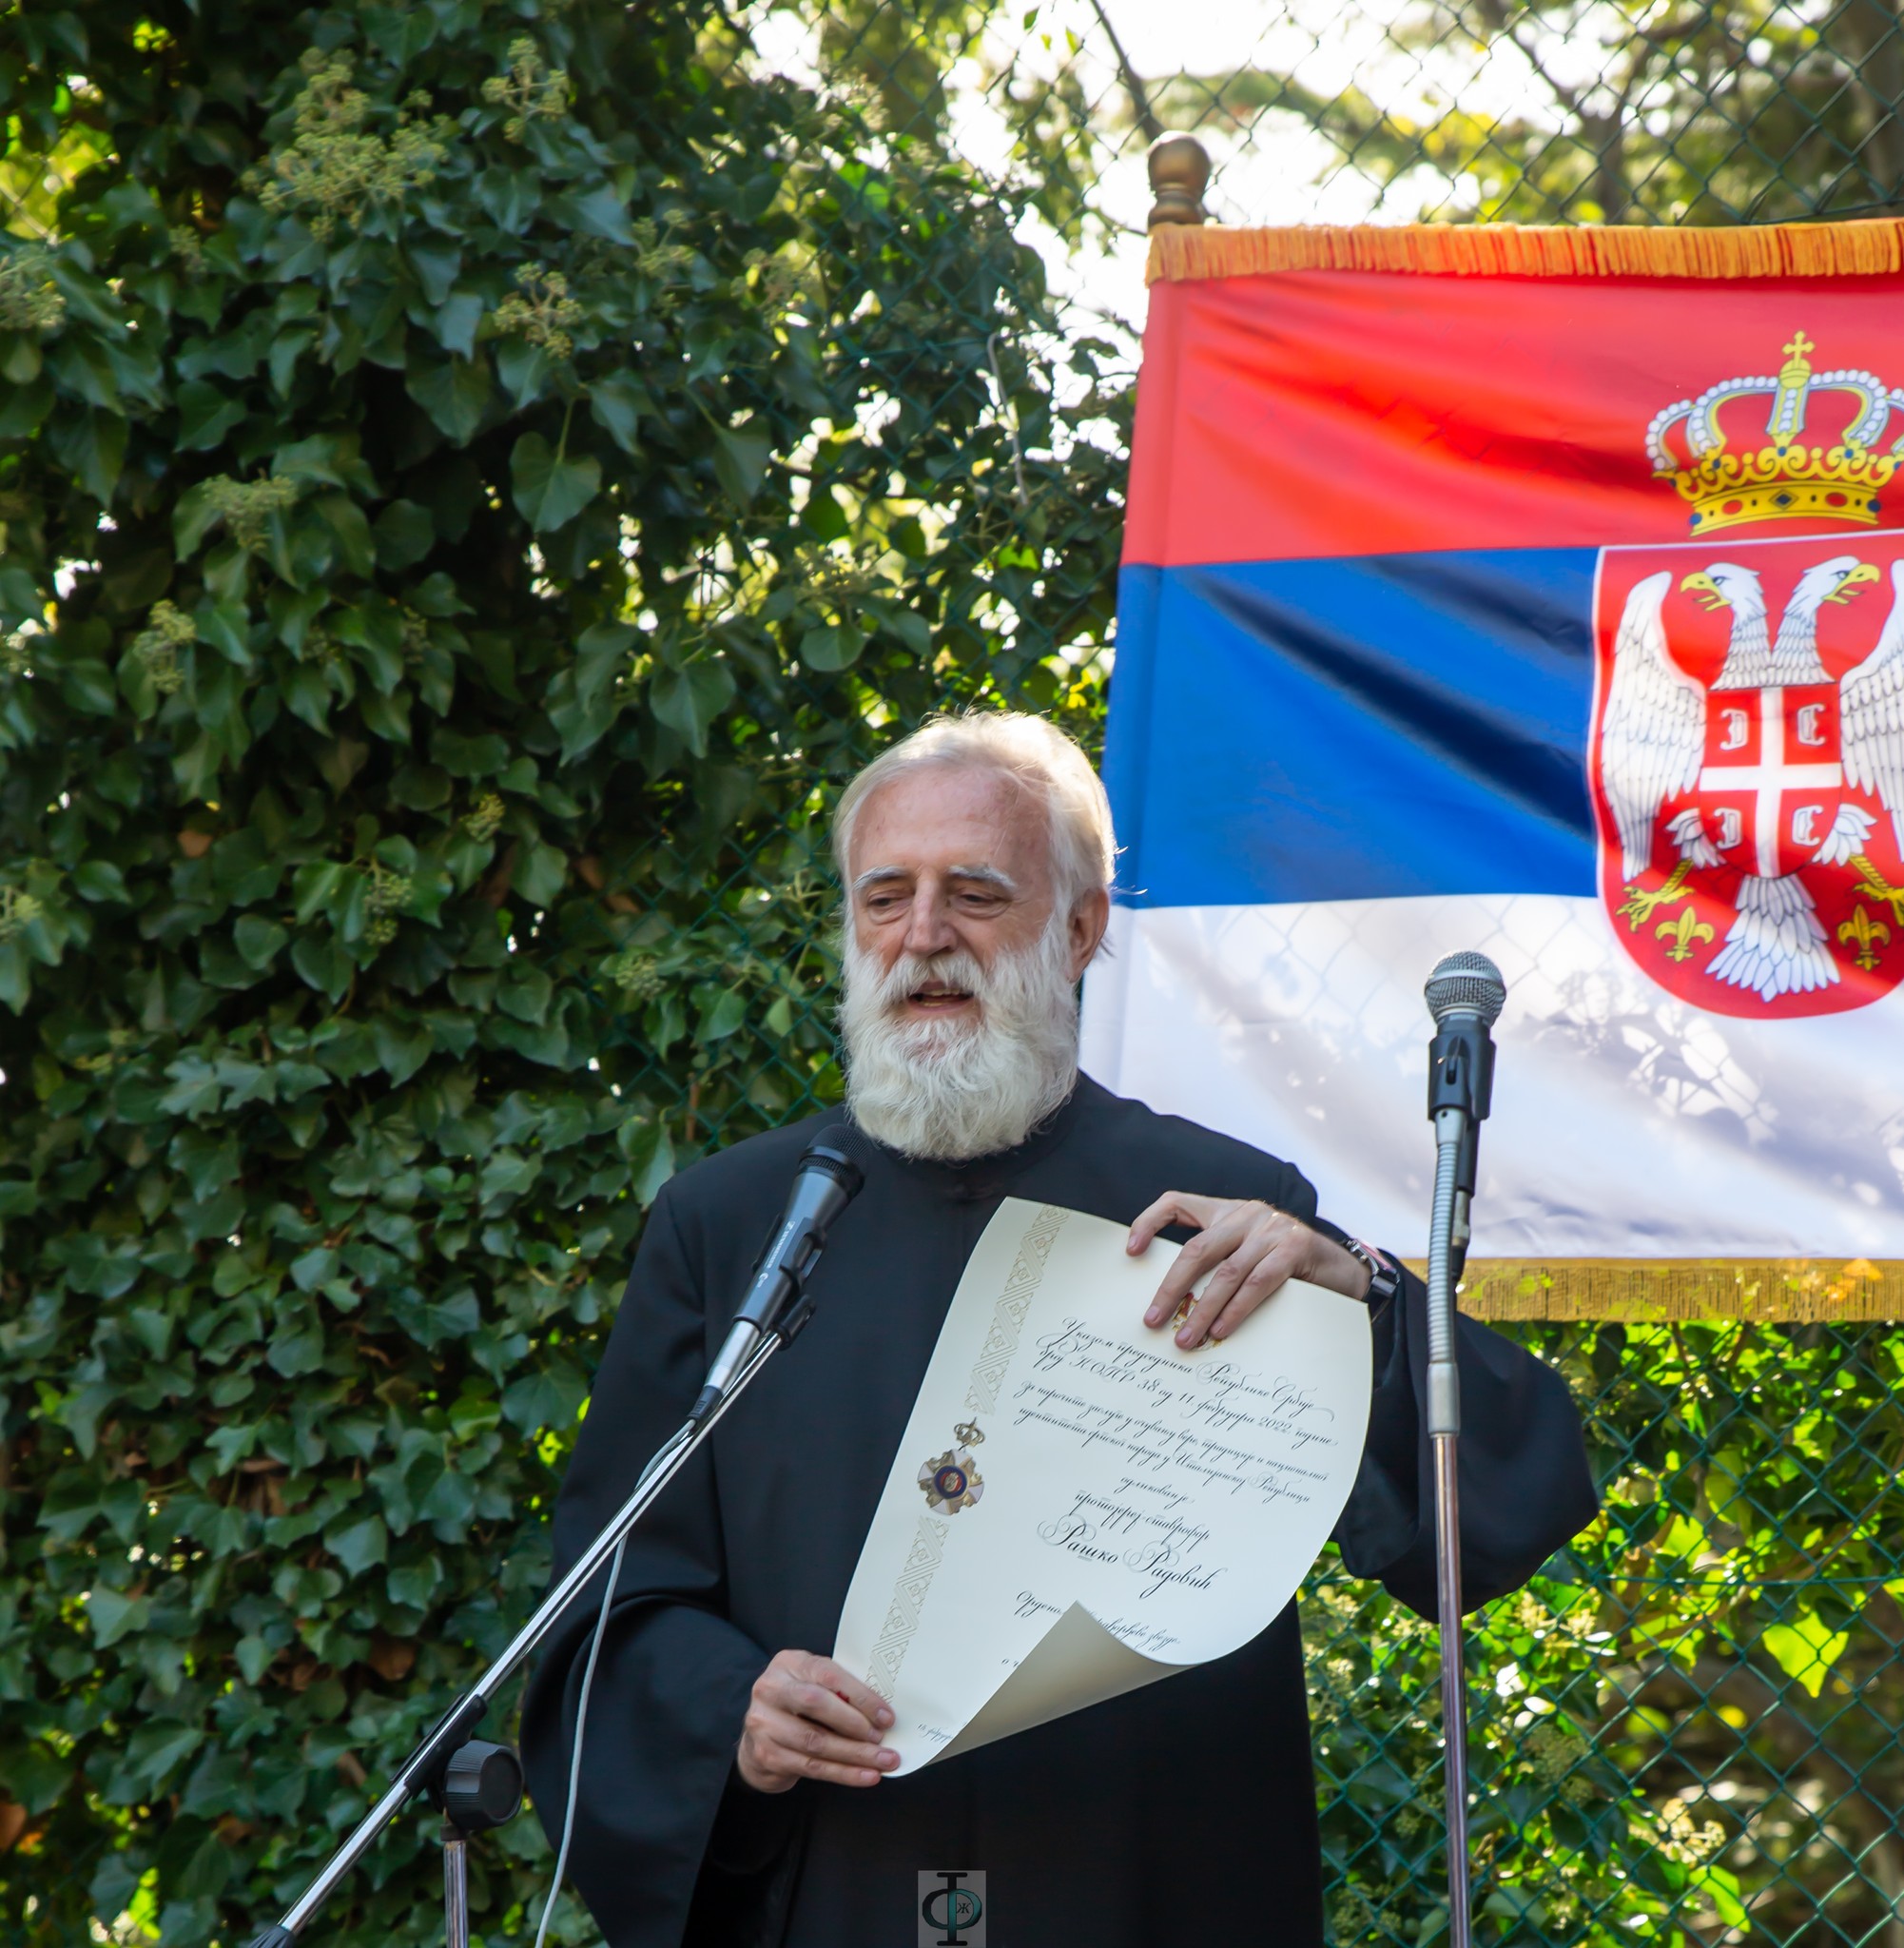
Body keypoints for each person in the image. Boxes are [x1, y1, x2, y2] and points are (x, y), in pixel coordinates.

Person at [520, 712, 1597, 1948]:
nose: (923, 936)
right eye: (885, 897)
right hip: (829, 1889)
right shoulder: (728, 1226)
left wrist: (1353, 1289)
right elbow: (614, 1598)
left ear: (1078, 930)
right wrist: (734, 1717)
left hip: (1150, 1882)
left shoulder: (1229, 1211)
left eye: (974, 893)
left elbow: (1490, 1514)